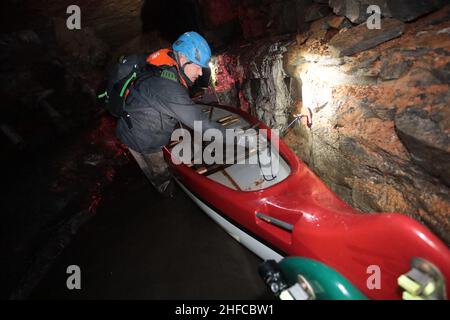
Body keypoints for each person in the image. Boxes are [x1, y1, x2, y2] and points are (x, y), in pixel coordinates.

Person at [116, 31, 226, 197]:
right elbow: (201, 124)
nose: (200, 73)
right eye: (197, 66)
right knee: (158, 170)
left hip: (143, 117)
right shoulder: (168, 87)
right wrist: (236, 137)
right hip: (141, 139)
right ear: (182, 58)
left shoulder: (168, 65)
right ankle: (167, 192)